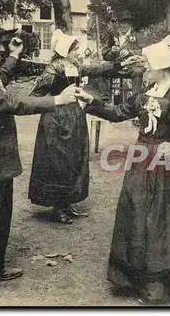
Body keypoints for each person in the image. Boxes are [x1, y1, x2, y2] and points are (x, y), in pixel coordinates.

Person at [0, 17, 79, 300]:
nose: (3, 49)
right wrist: (56, 101)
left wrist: (13, 55)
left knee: (0, 217)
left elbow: (3, 80)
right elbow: (10, 102)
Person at [80, 35, 170, 304]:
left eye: (148, 64)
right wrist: (89, 101)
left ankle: (159, 280)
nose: (144, 68)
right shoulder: (146, 92)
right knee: (137, 212)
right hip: (142, 160)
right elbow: (117, 111)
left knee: (161, 220)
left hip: (168, 166)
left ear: (162, 66)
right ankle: (136, 277)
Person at [28, 29, 141, 224]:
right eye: (75, 50)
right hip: (56, 119)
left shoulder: (76, 65)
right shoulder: (53, 69)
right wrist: (56, 99)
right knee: (59, 161)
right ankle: (58, 206)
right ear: (65, 51)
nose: (78, 53)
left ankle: (67, 203)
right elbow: (34, 96)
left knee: (74, 158)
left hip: (74, 115)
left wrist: (122, 63)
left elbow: (98, 69)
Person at [99, 10, 148, 103]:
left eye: (125, 22)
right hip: (117, 66)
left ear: (130, 23)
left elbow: (145, 52)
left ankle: (134, 102)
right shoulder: (112, 37)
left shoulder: (138, 36)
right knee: (102, 69)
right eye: (120, 22)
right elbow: (104, 55)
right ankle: (105, 101)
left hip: (132, 67)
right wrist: (111, 51)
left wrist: (130, 52)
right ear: (117, 24)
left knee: (138, 71)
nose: (122, 25)